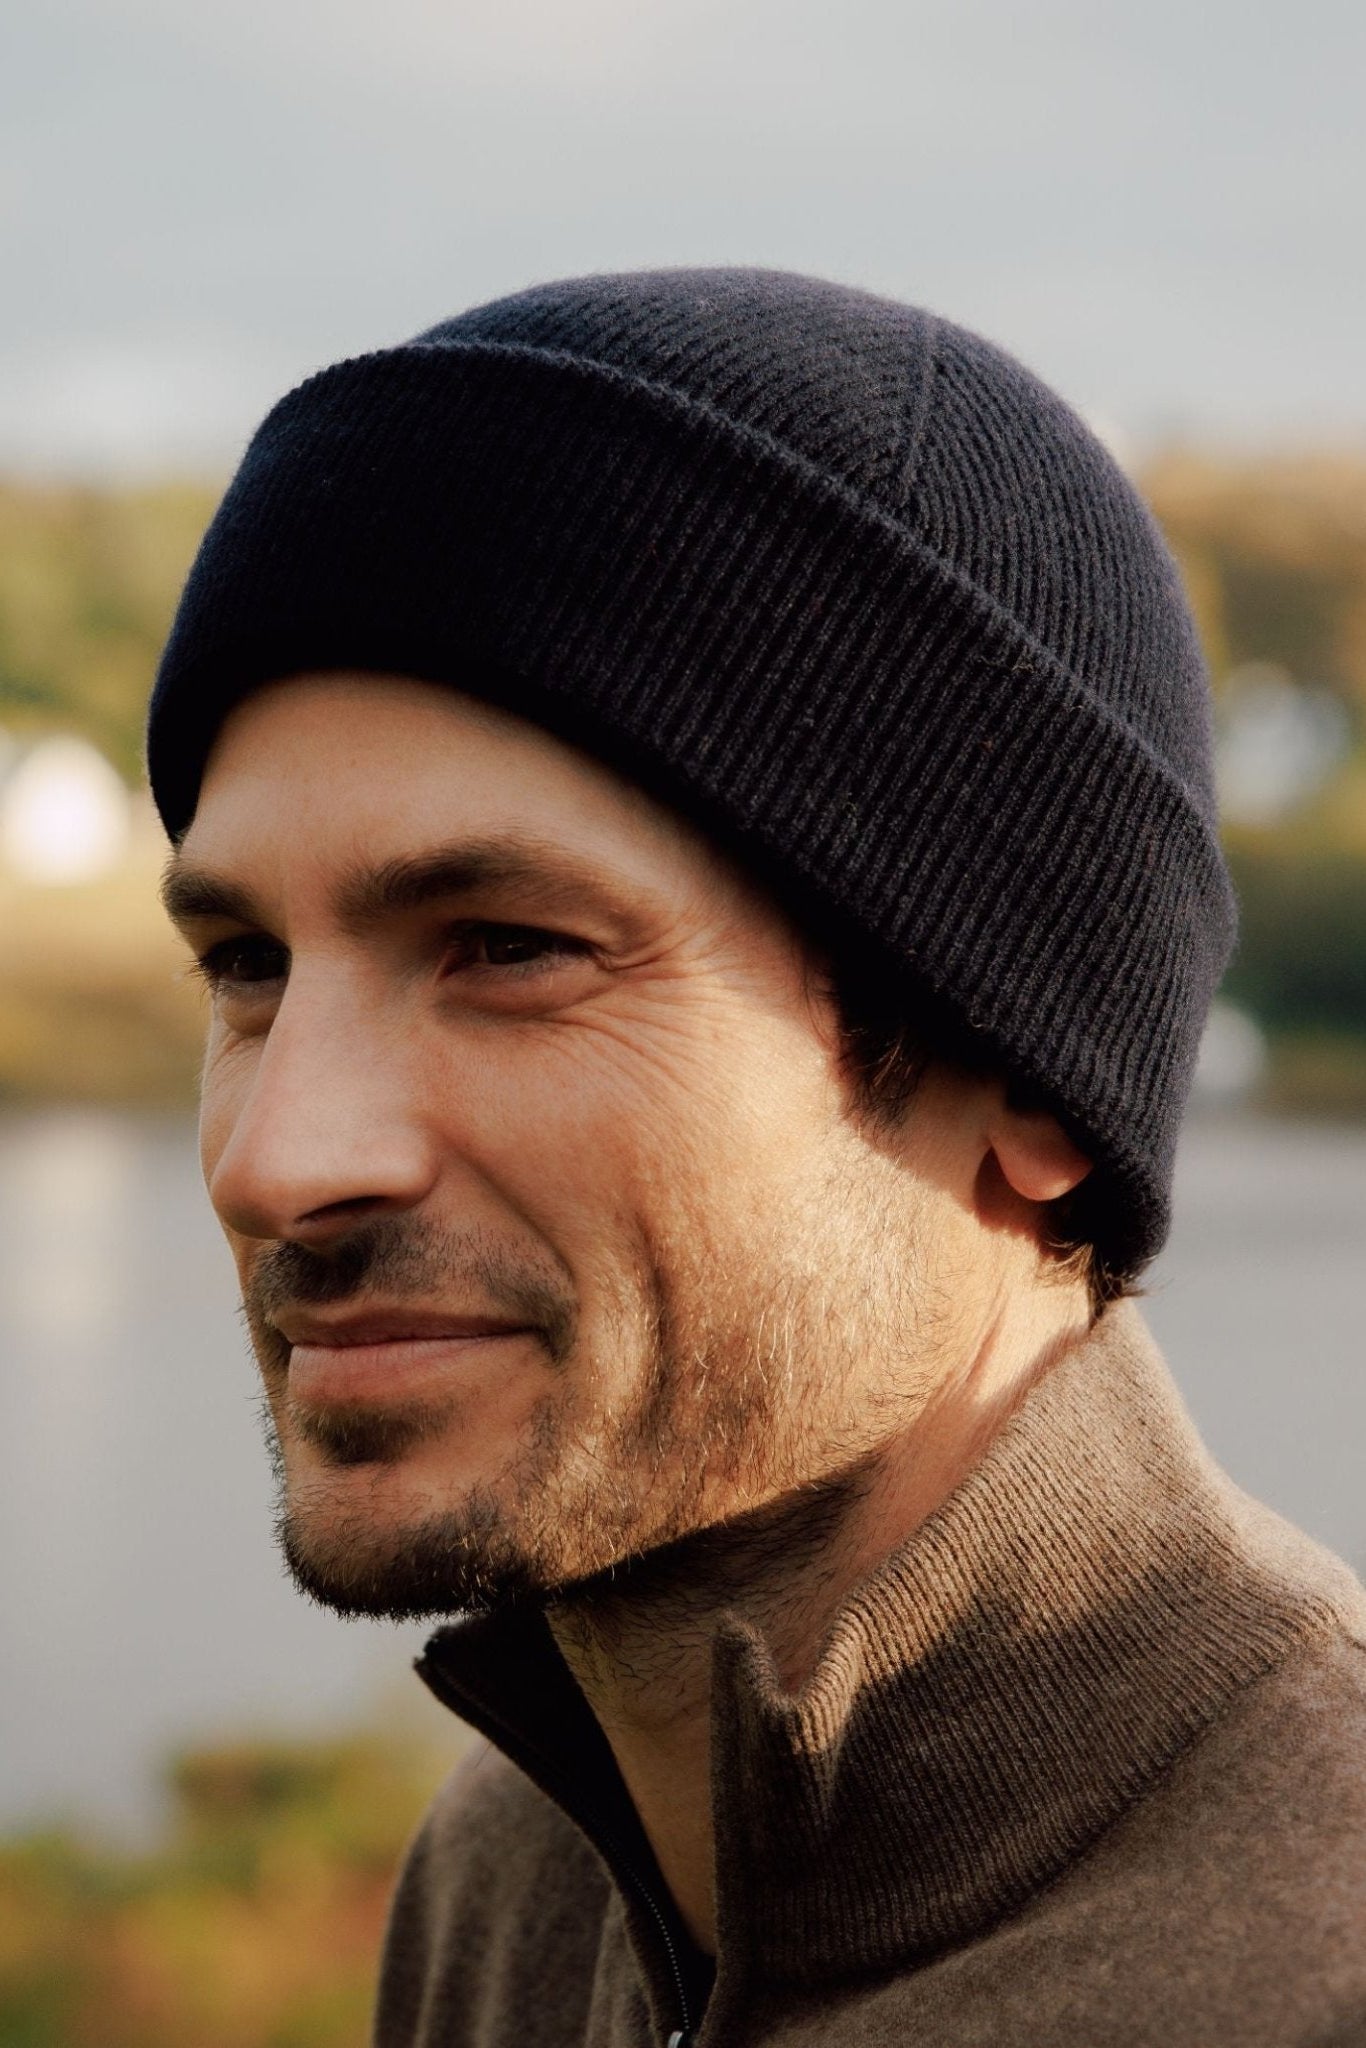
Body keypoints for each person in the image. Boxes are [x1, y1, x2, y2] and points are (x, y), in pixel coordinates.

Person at [146, 270, 1366, 2047]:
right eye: (246, 967)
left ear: (1020, 1077)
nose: (278, 1160)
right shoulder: (515, 1880)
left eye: (509, 945)